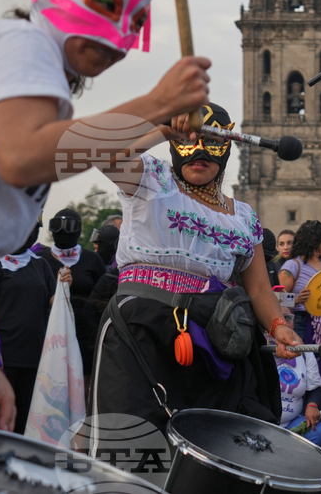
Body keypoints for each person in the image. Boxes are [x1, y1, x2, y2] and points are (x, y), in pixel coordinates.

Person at [0, 0, 208, 431]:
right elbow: (22, 158)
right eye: (104, 3)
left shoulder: (40, 75)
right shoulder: (23, 42)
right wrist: (157, 102)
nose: (115, 37)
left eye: (136, 22)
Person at [90, 103, 300, 449]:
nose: (198, 150)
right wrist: (162, 126)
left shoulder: (244, 217)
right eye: (188, 141)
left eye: (211, 141)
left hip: (212, 342)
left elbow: (260, 288)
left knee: (210, 453)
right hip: (141, 331)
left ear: (227, 145)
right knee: (133, 447)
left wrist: (278, 325)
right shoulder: (150, 180)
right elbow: (99, 150)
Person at [0, 219, 56, 434]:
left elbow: (54, 302)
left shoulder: (41, 264)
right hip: (5, 354)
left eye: (35, 228)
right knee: (0, 415)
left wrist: (66, 285)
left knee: (25, 417)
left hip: (35, 355)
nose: (30, 232)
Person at [279, 220, 321, 408]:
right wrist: (297, 300)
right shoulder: (293, 266)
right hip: (300, 326)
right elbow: (274, 298)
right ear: (315, 240)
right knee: (307, 374)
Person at [39, 208, 106, 385]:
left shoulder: (92, 259)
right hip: (50, 332)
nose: (63, 232)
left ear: (78, 230)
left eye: (69, 227)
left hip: (85, 333)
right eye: (57, 227)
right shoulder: (40, 259)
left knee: (84, 384)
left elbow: (103, 296)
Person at [273, 305, 321, 447]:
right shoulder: (258, 349)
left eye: (288, 318)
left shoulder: (304, 352)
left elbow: (316, 389)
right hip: (262, 423)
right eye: (279, 319)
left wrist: (312, 405)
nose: (284, 324)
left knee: (320, 432)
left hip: (291, 425)